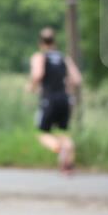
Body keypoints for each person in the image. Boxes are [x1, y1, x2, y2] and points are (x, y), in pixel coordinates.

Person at [27, 27, 81, 174]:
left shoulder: (40, 57)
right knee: (63, 132)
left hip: (49, 99)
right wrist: (66, 86)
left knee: (43, 134)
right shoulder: (64, 58)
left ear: (40, 43)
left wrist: (31, 87)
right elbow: (77, 79)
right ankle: (67, 165)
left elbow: (38, 74)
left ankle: (59, 149)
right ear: (54, 42)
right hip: (65, 99)